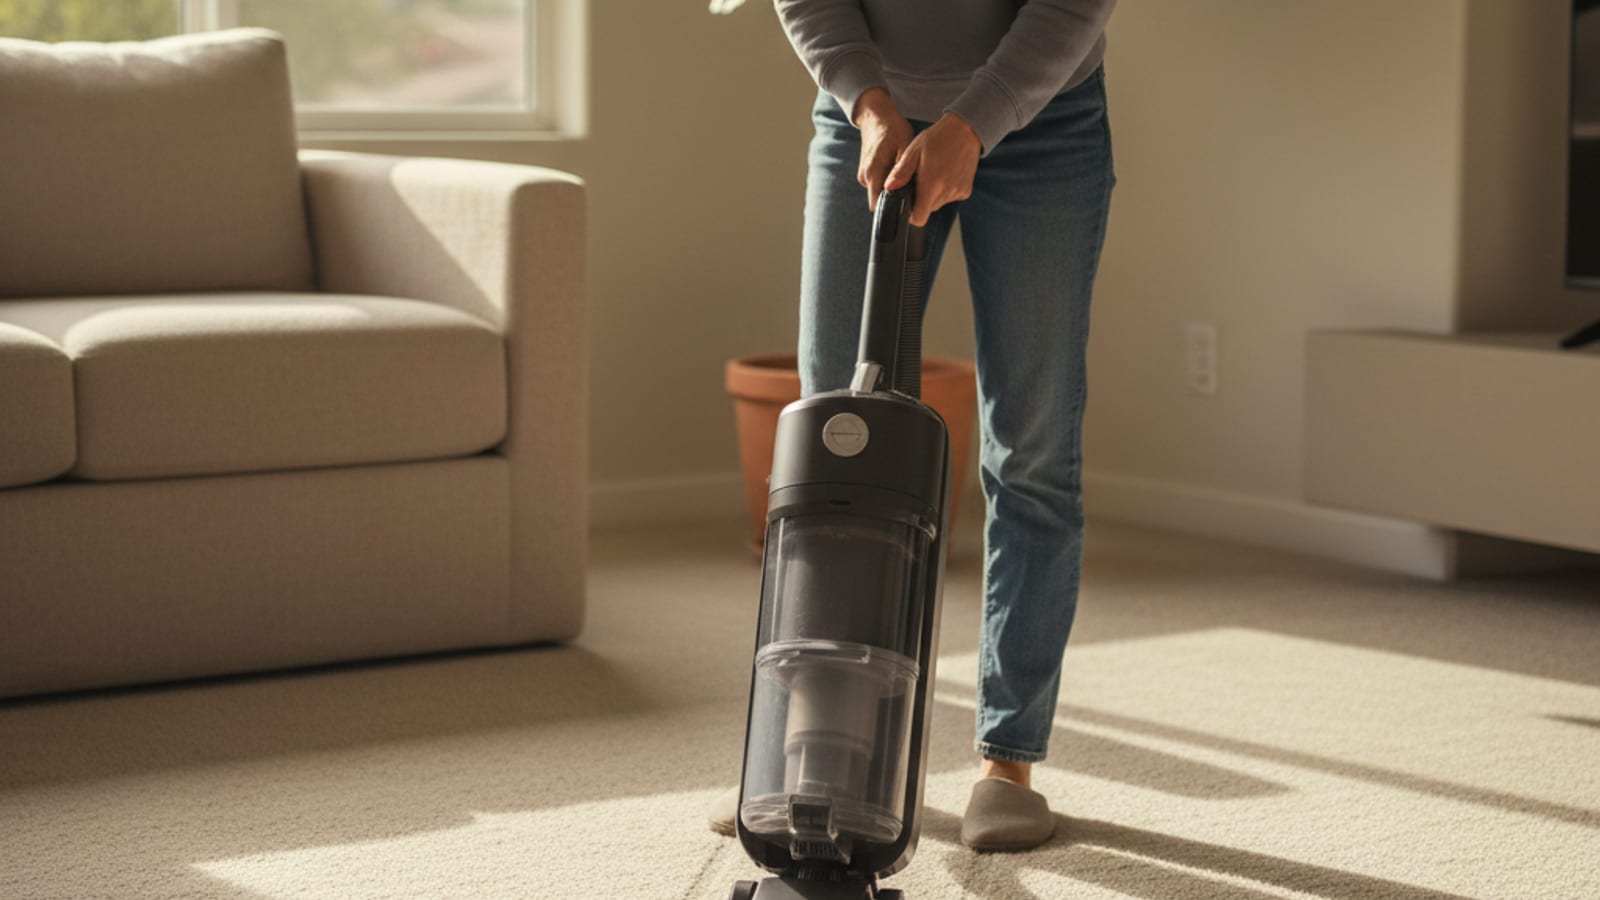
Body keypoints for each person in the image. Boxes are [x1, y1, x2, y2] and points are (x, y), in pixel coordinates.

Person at [713, 0, 1118, 852]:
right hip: (870, 117)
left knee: (1032, 451)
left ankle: (1007, 760)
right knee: (833, 453)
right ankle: (815, 750)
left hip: (1043, 122)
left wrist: (975, 122)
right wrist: (867, 105)